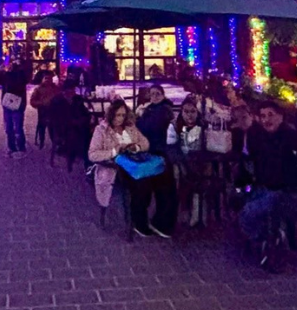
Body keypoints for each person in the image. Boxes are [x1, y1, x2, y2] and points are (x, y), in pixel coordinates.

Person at [239, 105, 297, 266]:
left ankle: (267, 240)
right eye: (263, 116)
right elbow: (251, 160)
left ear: (281, 116)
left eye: (270, 115)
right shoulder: (260, 136)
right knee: (239, 196)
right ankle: (267, 237)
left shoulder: (291, 138)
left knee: (249, 212)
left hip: (286, 190)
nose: (266, 120)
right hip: (264, 186)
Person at [88, 101, 148, 226]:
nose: (120, 119)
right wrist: (114, 151)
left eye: (123, 115)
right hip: (113, 169)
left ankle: (138, 216)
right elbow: (92, 154)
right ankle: (128, 218)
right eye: (117, 115)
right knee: (132, 185)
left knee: (147, 182)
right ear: (111, 115)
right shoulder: (101, 130)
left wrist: (136, 147)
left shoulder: (130, 127)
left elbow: (145, 143)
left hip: (132, 166)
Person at [132, 85, 178, 237]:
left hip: (157, 153)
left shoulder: (162, 110)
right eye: (152, 94)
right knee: (157, 190)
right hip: (152, 153)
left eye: (158, 93)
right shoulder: (152, 109)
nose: (155, 96)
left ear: (163, 95)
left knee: (161, 190)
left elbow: (146, 127)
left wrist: (140, 117)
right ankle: (153, 223)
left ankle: (158, 223)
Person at [168, 96, 209, 228]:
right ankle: (182, 211)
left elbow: (208, 146)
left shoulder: (203, 125)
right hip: (181, 161)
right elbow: (170, 148)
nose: (189, 115)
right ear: (181, 112)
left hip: (200, 160)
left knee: (202, 175)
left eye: (192, 111)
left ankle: (198, 212)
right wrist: (181, 160)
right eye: (186, 111)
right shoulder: (174, 125)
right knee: (179, 174)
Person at [0, 58, 30, 158]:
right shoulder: (6, 73)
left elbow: (19, 84)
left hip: (18, 102)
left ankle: (20, 147)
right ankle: (11, 146)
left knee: (17, 126)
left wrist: (14, 71)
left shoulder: (20, 73)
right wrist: (2, 71)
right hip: (7, 102)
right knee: (9, 126)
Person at [29, 72, 58, 150]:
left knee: (53, 128)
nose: (48, 80)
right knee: (42, 127)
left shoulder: (56, 88)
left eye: (49, 78)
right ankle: (41, 141)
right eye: (46, 78)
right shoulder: (38, 89)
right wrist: (42, 103)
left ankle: (55, 143)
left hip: (54, 111)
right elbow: (32, 101)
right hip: (43, 111)